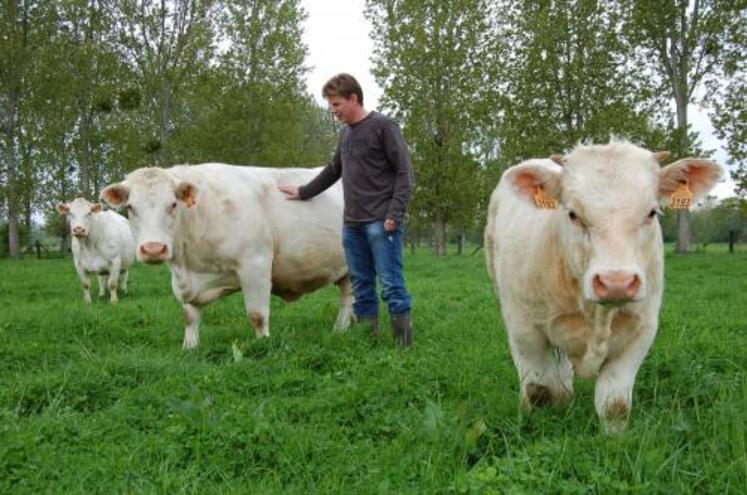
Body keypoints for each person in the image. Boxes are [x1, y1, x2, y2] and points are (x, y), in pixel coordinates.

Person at [278, 73, 415, 346]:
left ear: (354, 98)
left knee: (391, 285)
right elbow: (333, 171)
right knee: (361, 287)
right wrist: (303, 191)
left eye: (336, 104)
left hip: (381, 222)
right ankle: (369, 342)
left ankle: (404, 346)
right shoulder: (346, 134)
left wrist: (394, 215)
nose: (333, 111)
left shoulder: (384, 126)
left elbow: (405, 173)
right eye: (330, 105)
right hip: (352, 224)